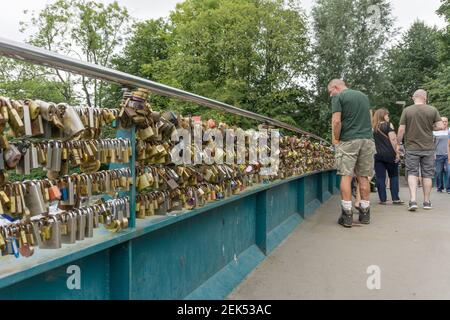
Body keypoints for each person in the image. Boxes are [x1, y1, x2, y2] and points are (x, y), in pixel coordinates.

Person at [329, 79, 375, 228]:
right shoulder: (363, 96)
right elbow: (369, 118)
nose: (331, 95)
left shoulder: (339, 97)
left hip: (349, 140)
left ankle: (347, 215)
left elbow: (336, 121)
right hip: (367, 140)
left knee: (346, 176)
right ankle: (365, 213)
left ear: (336, 87)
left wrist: (336, 139)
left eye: (330, 91)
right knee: (363, 177)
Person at [397, 89, 444, 211]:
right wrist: (430, 127)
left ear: (414, 97)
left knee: (412, 173)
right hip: (428, 148)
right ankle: (427, 202)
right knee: (427, 174)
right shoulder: (432, 110)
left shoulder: (407, 110)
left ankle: (413, 200)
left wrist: (397, 143)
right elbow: (440, 126)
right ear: (425, 98)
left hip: (412, 147)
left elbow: (401, 129)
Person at [372, 108, 404, 205]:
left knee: (380, 177)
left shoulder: (373, 127)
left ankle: (382, 199)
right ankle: (395, 198)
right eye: (387, 115)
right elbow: (393, 140)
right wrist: (397, 153)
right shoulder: (388, 125)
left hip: (377, 155)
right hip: (390, 154)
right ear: (383, 115)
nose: (388, 117)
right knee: (393, 176)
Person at [433, 117, 449, 192]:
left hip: (448, 155)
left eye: (446, 121)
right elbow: (432, 144)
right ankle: (440, 187)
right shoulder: (435, 132)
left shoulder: (449, 131)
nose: (444, 123)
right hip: (438, 155)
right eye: (443, 121)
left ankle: (448, 188)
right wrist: (433, 153)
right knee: (439, 172)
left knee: (449, 171)